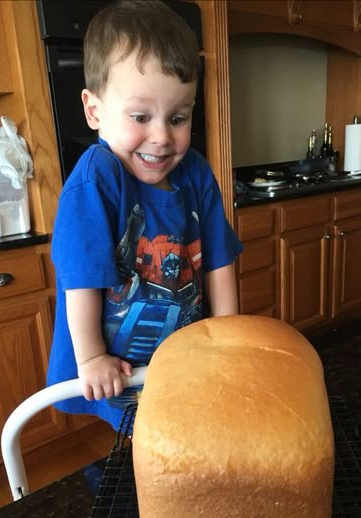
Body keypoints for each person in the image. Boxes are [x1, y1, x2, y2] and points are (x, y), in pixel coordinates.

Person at [47, 0, 243, 429]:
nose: (161, 137)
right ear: (94, 110)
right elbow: (79, 278)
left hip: (183, 359)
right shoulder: (96, 181)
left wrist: (227, 338)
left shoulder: (194, 172)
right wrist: (93, 357)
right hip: (120, 371)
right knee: (141, 455)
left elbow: (220, 262)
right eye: (140, 116)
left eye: (178, 117)